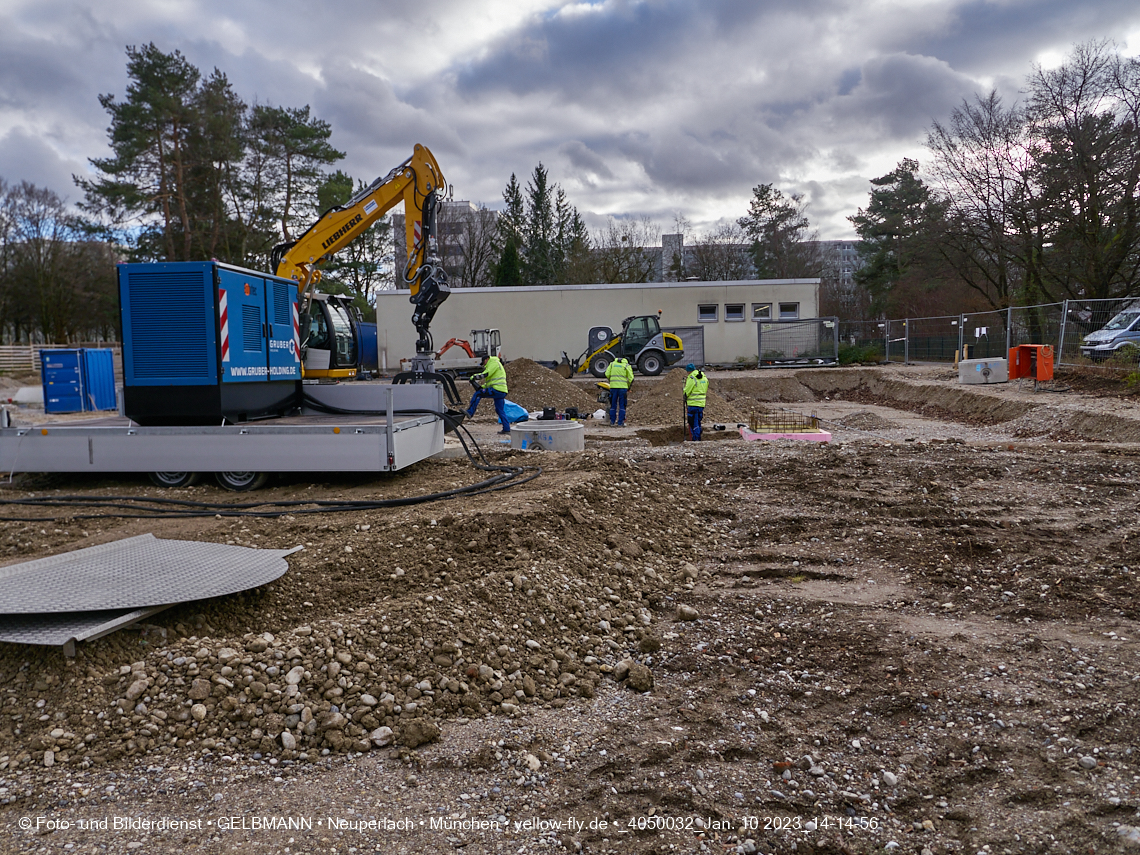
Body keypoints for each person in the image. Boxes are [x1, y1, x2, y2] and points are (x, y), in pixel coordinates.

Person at [466, 353, 511, 434]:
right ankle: (506, 428)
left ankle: (470, 412)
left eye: (483, 363)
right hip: (502, 391)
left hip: (496, 389)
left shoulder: (493, 362)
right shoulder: (496, 364)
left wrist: (474, 377)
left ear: (486, 359)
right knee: (500, 410)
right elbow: (490, 382)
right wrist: (483, 387)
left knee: (478, 394)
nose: (483, 365)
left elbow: (485, 374)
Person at [604, 356, 634, 426]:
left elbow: (607, 374)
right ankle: (620, 422)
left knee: (613, 405)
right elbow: (631, 378)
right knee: (622, 405)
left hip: (613, 387)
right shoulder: (626, 365)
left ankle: (612, 422)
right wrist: (628, 387)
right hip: (623, 388)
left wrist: (611, 381)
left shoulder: (612, 364)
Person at [683, 362, 708, 441]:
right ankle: (698, 437)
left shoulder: (691, 378)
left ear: (689, 371)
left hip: (692, 405)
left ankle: (696, 439)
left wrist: (684, 396)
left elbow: (687, 391)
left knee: (693, 423)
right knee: (698, 421)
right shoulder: (703, 377)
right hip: (701, 404)